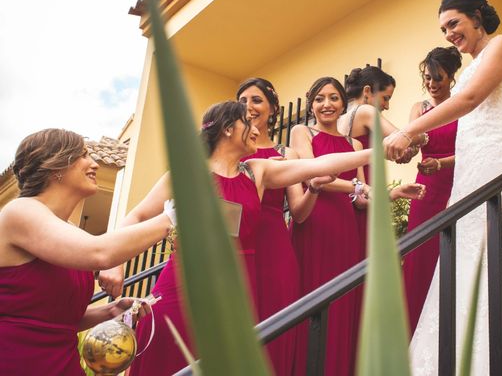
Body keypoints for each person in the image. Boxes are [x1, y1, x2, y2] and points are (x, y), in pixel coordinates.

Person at [100, 101, 372, 376]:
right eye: (249, 123)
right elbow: (135, 217)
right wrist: (114, 262)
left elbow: (320, 165)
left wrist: (377, 152)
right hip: (183, 291)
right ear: (229, 129)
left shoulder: (257, 171)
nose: (257, 130)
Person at [384, 0, 502, 374]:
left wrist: (406, 131)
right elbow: (469, 132)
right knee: (464, 258)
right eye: (444, 28)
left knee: (498, 255)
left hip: (500, 166)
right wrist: (436, 157)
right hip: (468, 174)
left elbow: (467, 102)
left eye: (454, 23)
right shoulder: (471, 66)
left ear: (477, 15)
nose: (449, 34)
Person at [0, 128, 173, 375]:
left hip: (63, 362)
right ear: (56, 165)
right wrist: (172, 217)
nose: (94, 164)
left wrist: (110, 310)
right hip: (17, 361)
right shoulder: (20, 212)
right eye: (83, 155)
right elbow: (101, 253)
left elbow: (57, 318)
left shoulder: (67, 229)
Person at [290, 77, 423, 375]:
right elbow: (313, 175)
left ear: (342, 104)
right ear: (311, 103)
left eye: (334, 98)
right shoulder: (302, 132)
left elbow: (360, 197)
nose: (327, 104)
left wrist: (390, 193)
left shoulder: (353, 143)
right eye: (320, 98)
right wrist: (357, 186)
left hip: (346, 229)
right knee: (311, 302)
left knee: (344, 305)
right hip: (314, 223)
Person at [237, 77, 332, 376]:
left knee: (273, 328)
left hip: (275, 249)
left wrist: (313, 189)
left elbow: (299, 214)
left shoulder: (285, 154)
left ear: (273, 108)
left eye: (256, 100)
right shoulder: (232, 150)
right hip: (237, 245)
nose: (249, 107)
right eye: (242, 102)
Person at [338, 66, 426, 261]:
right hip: (364, 189)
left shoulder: (340, 119)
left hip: (349, 191)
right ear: (368, 91)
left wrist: (402, 152)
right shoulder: (366, 111)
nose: (386, 106)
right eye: (385, 98)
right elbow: (403, 136)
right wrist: (424, 138)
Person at [402, 46, 461, 336]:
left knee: (456, 250)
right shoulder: (419, 108)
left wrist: (442, 163)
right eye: (427, 77)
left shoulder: (463, 104)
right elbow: (410, 144)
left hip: (458, 180)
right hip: (425, 190)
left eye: (438, 77)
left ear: (451, 76)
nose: (432, 83)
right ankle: (416, 330)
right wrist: (411, 146)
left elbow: (472, 150)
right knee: (421, 254)